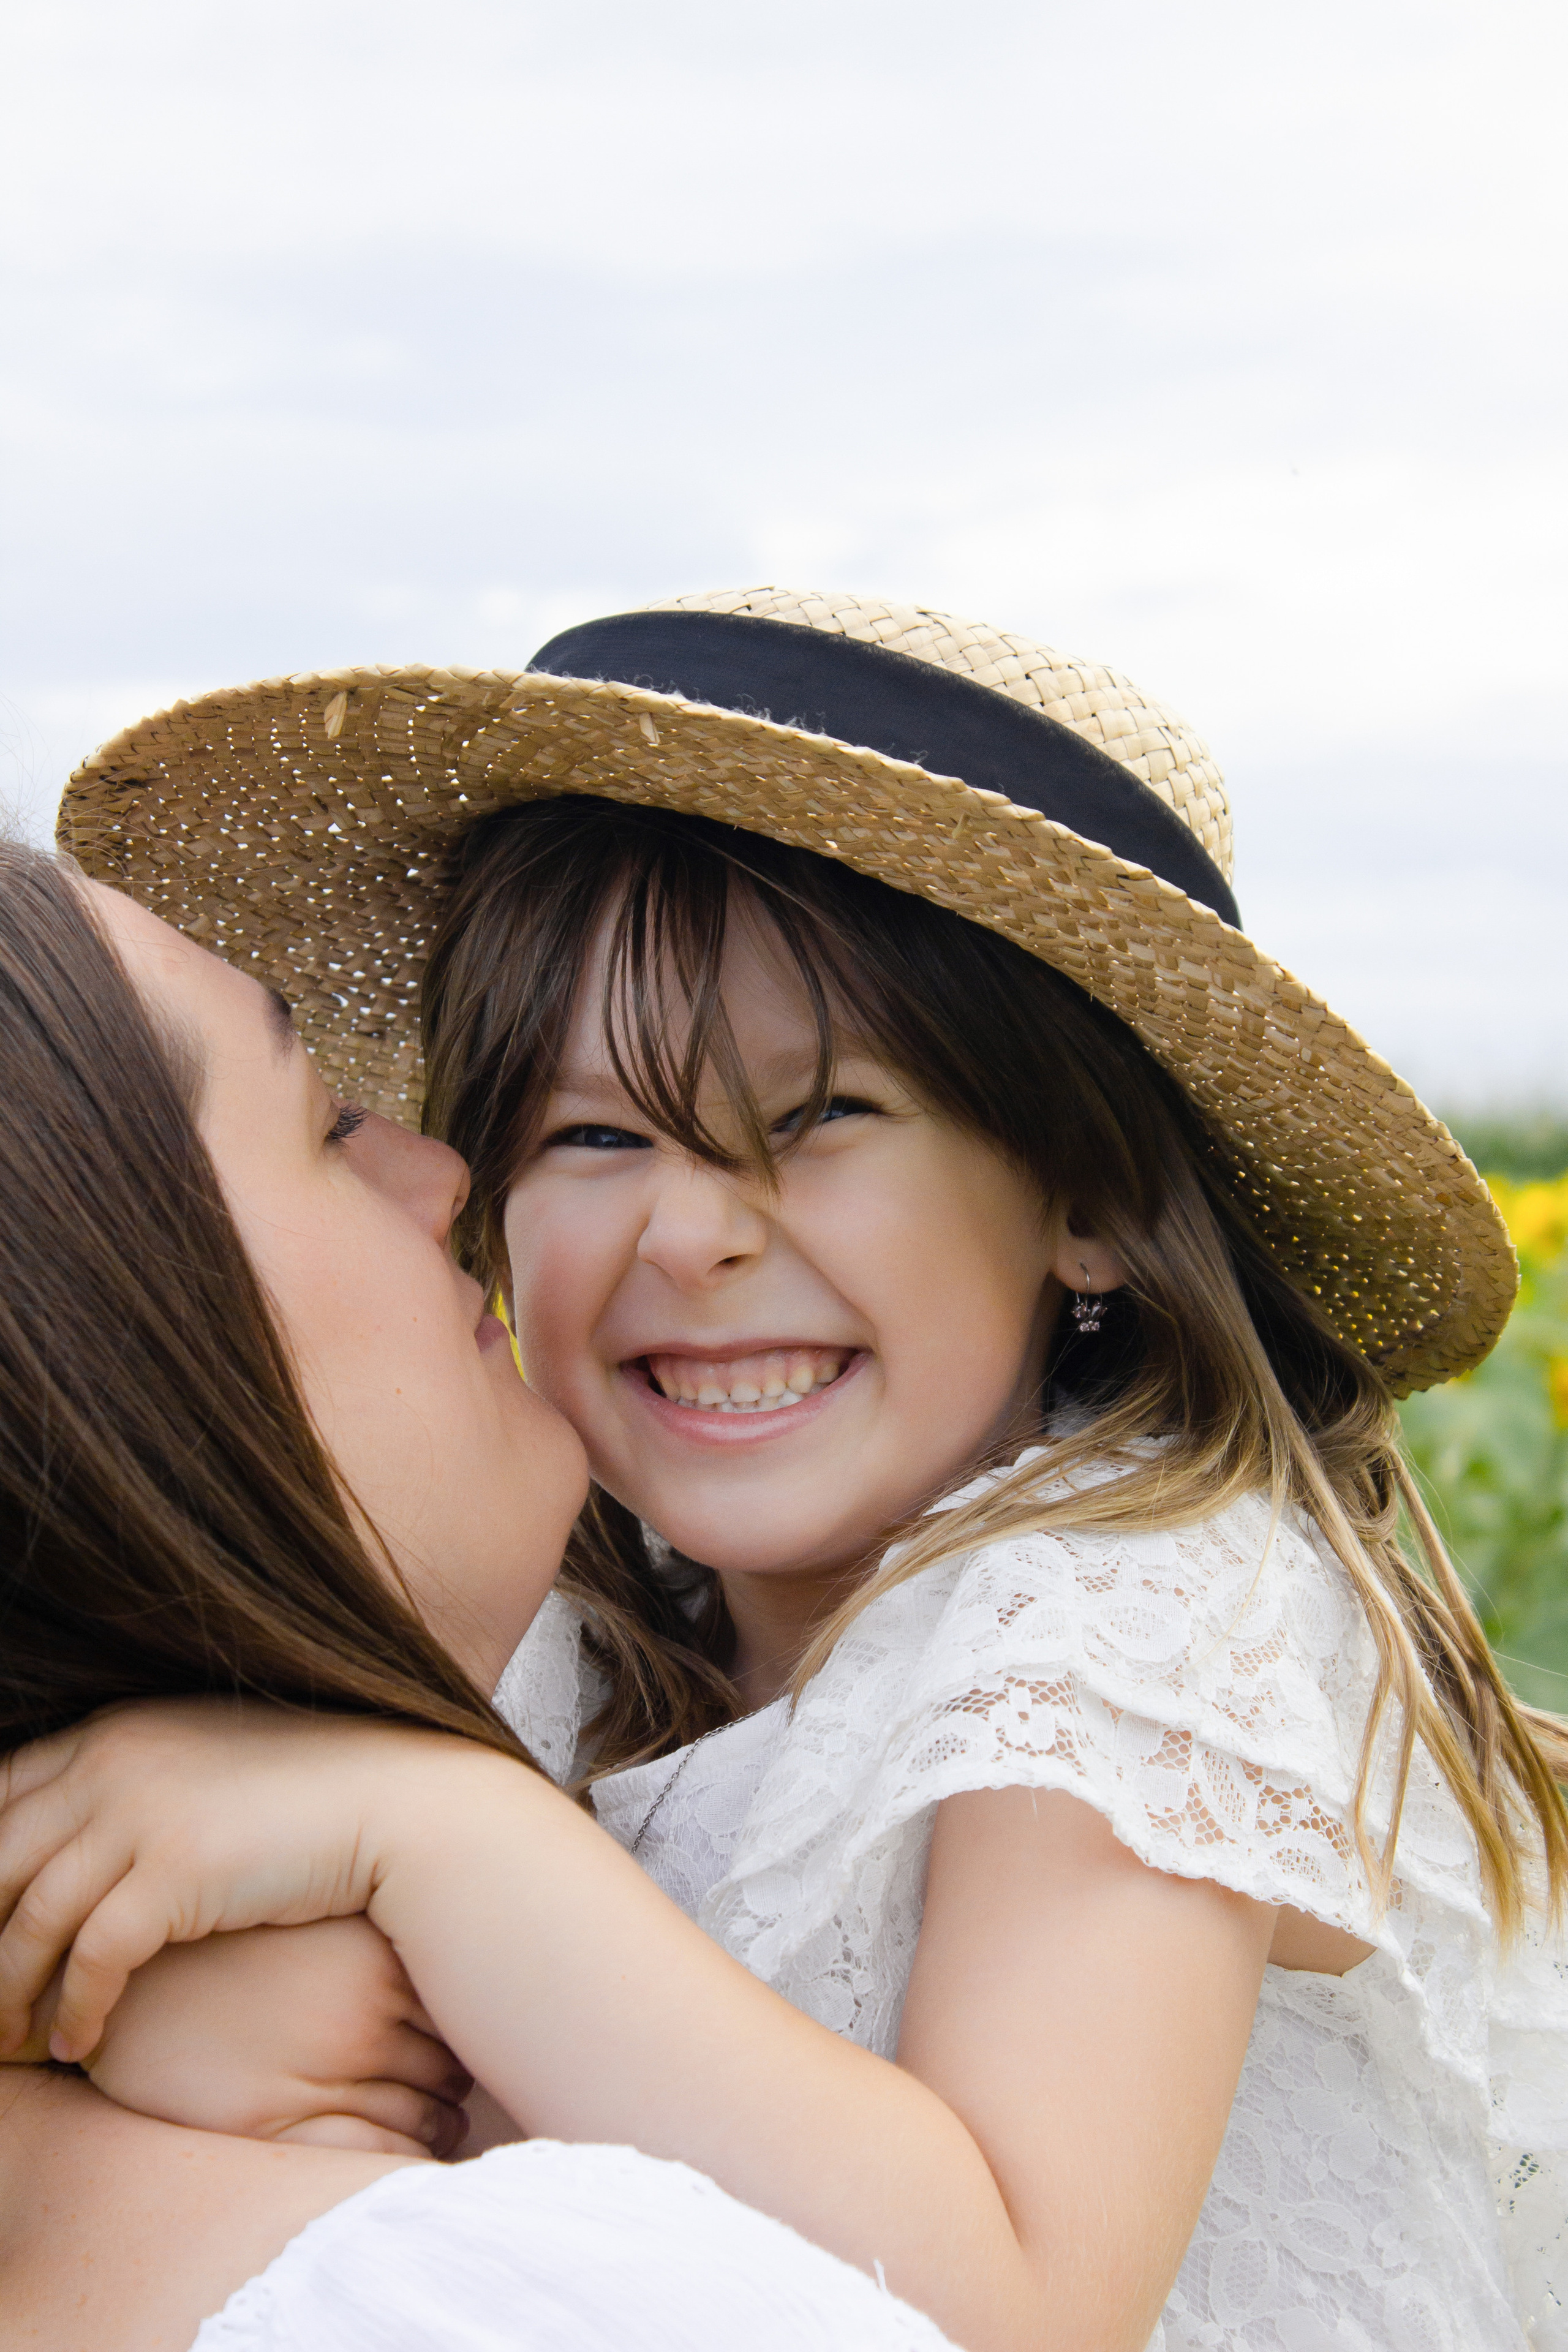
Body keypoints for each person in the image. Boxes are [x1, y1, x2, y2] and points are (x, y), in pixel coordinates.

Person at [32, 588, 1568, 2348]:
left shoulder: (1127, 1617)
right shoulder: (598, 1627)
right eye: (594, 1135)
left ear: (1090, 1204)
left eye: (818, 1120)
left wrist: (421, 1840)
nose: (690, 1235)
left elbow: (1015, 2305)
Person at [0, 839, 952, 2352]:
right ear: (108, 1350)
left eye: (818, 1118)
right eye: (323, 1128)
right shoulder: (509, 2300)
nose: (445, 1173)